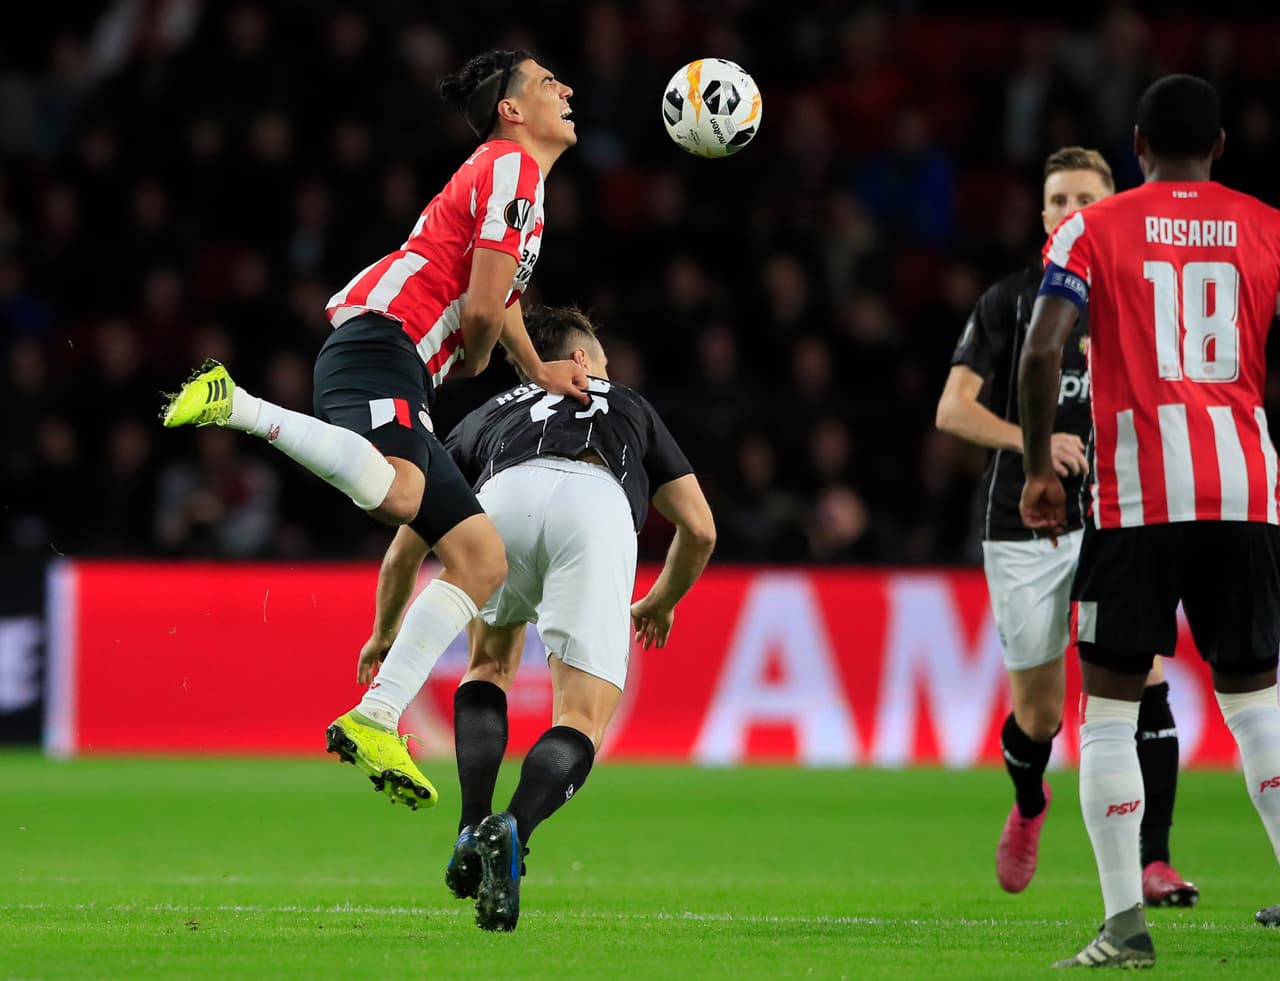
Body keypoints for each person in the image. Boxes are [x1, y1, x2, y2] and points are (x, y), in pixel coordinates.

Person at [159, 49, 590, 809]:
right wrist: (497, 361)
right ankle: (239, 405)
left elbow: (499, 299)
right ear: (512, 110)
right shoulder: (511, 167)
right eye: (548, 82)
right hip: (384, 339)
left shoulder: (517, 182)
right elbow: (484, 311)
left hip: (400, 360)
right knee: (400, 494)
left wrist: (523, 363)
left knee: (481, 560)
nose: (567, 88)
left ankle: (376, 715)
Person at [1020, 75, 1280, 968]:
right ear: (1220, 145)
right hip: (1245, 488)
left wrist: (1037, 468)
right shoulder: (1267, 225)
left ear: (1135, 145)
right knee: (1257, 704)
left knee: (1108, 713)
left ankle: (1126, 925)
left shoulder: (1091, 228)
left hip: (1138, 497)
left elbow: (1042, 349)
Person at [357, 305, 715, 931]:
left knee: (488, 666)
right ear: (581, 360)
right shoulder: (627, 403)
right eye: (602, 362)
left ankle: (472, 824)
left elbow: (405, 549)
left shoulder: (489, 413)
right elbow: (701, 530)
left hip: (504, 495)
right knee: (580, 717)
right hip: (595, 503)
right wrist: (661, 601)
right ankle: (513, 828)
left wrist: (385, 633)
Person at [936, 147, 1196, 906]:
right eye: (1059, 199)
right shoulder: (1010, 302)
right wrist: (1035, 441)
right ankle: (1030, 802)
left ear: (1114, 207)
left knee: (1144, 676)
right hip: (1023, 523)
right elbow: (952, 409)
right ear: (1042, 212)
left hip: (1117, 512)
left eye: (1087, 197)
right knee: (1040, 715)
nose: (1072, 210)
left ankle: (1155, 860)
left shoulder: (1142, 297)